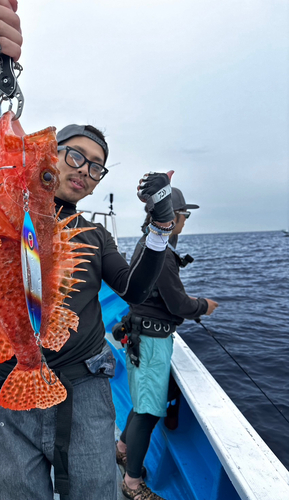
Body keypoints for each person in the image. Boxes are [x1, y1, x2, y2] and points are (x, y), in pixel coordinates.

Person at [0, 1, 177, 499]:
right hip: (8, 384)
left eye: (96, 167)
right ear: (51, 160)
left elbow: (136, 288)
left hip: (85, 386)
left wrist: (159, 229)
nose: (84, 170)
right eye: (74, 156)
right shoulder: (12, 204)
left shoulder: (94, 236)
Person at [115, 187, 218, 500]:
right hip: (151, 342)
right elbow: (177, 303)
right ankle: (132, 484)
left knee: (141, 402)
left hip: (139, 336)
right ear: (172, 217)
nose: (185, 221)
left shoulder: (149, 246)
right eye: (184, 215)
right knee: (148, 413)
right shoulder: (159, 253)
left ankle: (121, 448)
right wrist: (203, 306)